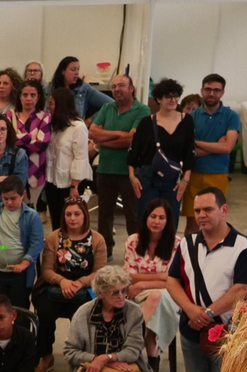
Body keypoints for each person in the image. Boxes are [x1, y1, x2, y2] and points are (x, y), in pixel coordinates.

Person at [167, 185, 247, 372]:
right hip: (191, 332)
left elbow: (242, 288)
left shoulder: (242, 246)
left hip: (228, 335)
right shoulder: (187, 244)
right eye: (197, 211)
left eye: (207, 209)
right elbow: (172, 280)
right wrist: (191, 310)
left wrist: (207, 313)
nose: (201, 215)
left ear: (224, 209)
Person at [33, 196, 106, 372]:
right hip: (55, 285)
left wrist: (80, 283)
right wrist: (62, 281)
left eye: (77, 214)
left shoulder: (97, 239)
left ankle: (82, 359)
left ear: (84, 215)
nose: (72, 218)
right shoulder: (53, 238)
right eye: (68, 214)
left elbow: (100, 272)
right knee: (44, 312)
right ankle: (46, 356)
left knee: (83, 316)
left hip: (84, 288)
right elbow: (47, 270)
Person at [63, 265, 152, 372]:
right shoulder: (83, 313)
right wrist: (96, 360)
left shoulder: (133, 311)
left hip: (124, 371)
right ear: (100, 293)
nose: (121, 296)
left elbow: (133, 350)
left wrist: (107, 358)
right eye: (115, 292)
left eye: (124, 290)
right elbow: (70, 351)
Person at [87, 73, 148, 251]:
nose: (116, 90)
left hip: (130, 172)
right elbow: (92, 133)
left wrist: (105, 138)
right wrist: (123, 135)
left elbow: (134, 140)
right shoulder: (107, 107)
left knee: (133, 216)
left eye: (121, 86)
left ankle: (136, 252)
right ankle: (106, 251)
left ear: (131, 88)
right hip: (105, 169)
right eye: (114, 87)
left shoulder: (142, 110)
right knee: (104, 216)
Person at [124, 197, 182, 364]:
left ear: (168, 221)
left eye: (161, 218)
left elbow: (174, 282)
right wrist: (162, 276)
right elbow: (130, 276)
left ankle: (132, 344)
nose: (156, 221)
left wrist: (143, 283)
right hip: (136, 292)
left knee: (156, 297)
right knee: (155, 301)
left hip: (168, 293)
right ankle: (153, 363)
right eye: (153, 216)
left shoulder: (177, 244)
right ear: (146, 217)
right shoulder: (133, 240)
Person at [0, 176, 43, 308]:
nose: (9, 203)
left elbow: (37, 243)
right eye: (5, 199)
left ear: (22, 195)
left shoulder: (31, 216)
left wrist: (24, 263)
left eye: (13, 198)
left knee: (20, 309)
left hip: (19, 274)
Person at [128, 77, 193, 217]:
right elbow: (134, 151)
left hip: (173, 177)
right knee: (146, 218)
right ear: (158, 99)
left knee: (171, 218)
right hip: (148, 176)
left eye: (176, 96)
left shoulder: (187, 120)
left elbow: (189, 152)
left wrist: (185, 180)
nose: (173, 100)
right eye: (168, 97)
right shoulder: (146, 122)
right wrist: (132, 176)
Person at [185, 73, 240, 233]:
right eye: (208, 89)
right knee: (193, 222)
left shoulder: (231, 116)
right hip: (193, 174)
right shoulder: (190, 117)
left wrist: (197, 143)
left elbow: (227, 148)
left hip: (218, 175)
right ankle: (190, 256)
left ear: (222, 92)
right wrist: (217, 145)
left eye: (216, 90)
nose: (212, 93)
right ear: (202, 91)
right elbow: (187, 151)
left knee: (215, 223)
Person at [41, 85, 91, 231]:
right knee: (56, 222)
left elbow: (80, 158)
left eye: (51, 103)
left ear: (61, 104)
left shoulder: (78, 127)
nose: (49, 107)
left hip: (71, 184)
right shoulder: (53, 125)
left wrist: (74, 186)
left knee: (72, 223)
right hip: (52, 181)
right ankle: (59, 251)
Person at [14, 79, 51, 205]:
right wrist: (31, 137)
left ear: (38, 97)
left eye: (33, 95)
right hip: (13, 169)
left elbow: (41, 145)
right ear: (20, 96)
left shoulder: (45, 117)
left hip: (36, 170)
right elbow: (8, 141)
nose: (28, 98)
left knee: (30, 210)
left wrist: (19, 138)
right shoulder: (9, 115)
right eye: (25, 95)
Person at [50, 55, 113, 120]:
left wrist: (90, 120)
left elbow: (111, 105)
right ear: (62, 71)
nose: (77, 73)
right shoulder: (49, 88)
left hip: (75, 127)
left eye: (78, 69)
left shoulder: (84, 88)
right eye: (73, 69)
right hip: (52, 127)